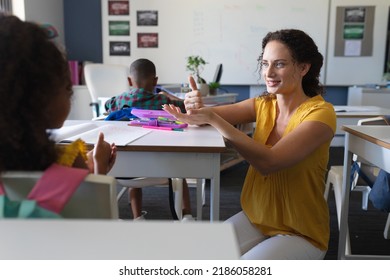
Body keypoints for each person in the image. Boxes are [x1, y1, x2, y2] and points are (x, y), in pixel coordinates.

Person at [163, 29, 337, 259]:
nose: (269, 73)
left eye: (280, 64)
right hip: (257, 218)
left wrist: (213, 119)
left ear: (303, 68)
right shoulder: (263, 104)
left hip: (300, 231)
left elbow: (270, 161)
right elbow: (205, 116)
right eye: (265, 64)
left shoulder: (321, 114)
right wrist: (194, 108)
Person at [0, 14, 116, 178]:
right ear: (42, 97)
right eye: (67, 87)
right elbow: (92, 203)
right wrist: (99, 167)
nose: (71, 94)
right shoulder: (70, 160)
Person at [105, 58, 194, 221]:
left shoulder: (119, 101)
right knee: (182, 176)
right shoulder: (161, 100)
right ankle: (187, 214)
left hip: (128, 169)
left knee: (135, 172)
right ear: (156, 81)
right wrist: (165, 94)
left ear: (129, 81)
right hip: (163, 165)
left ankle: (137, 216)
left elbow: (107, 105)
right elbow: (183, 106)